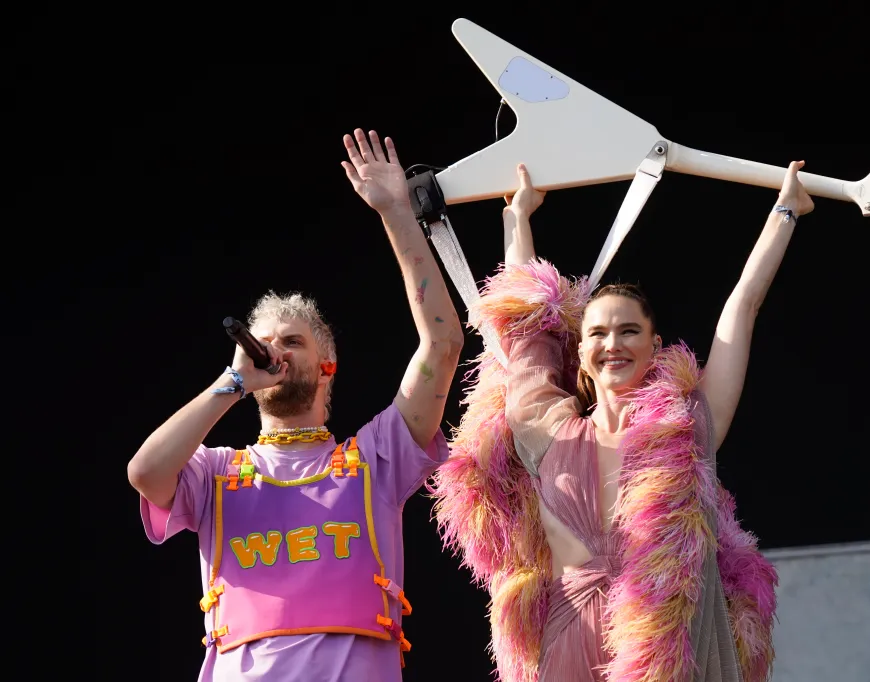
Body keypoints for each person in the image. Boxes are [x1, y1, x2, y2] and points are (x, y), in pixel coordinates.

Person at [431, 161, 814, 681]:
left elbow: (741, 308)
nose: (613, 344)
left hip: (665, 648)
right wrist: (517, 218)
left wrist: (785, 212)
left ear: (654, 346)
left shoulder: (684, 432)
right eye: (598, 334)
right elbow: (525, 325)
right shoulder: (546, 429)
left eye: (628, 331)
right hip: (568, 643)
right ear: (582, 349)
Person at [127, 129, 464, 682]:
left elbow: (443, 344)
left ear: (327, 364)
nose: (276, 352)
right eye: (266, 342)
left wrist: (396, 212)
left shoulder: (376, 459)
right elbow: (145, 473)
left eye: (294, 342)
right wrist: (232, 383)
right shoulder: (216, 475)